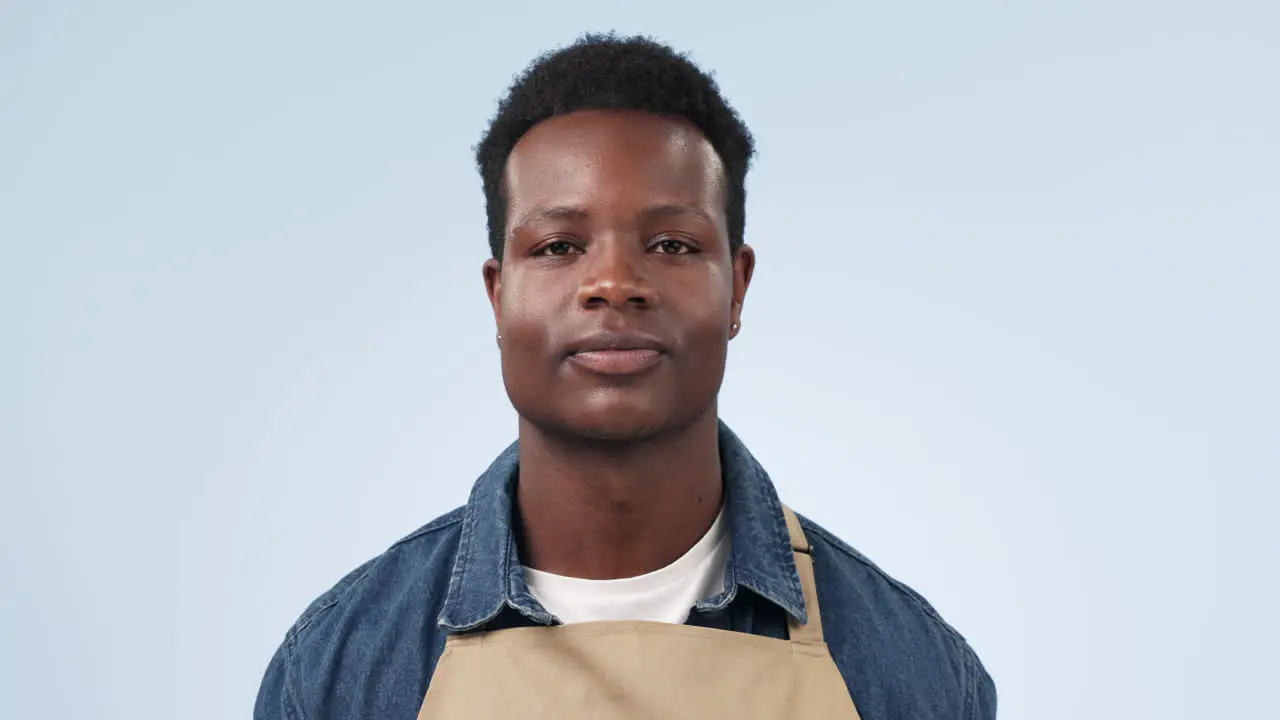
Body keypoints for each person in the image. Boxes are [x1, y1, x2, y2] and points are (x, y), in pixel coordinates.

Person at [255, 33, 996, 720]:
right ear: (497, 294)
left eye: (671, 243)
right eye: (557, 247)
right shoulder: (338, 669)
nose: (613, 282)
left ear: (737, 287)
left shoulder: (913, 672)